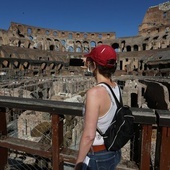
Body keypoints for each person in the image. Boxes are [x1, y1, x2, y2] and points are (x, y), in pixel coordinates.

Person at [75, 44, 121, 170]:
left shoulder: (94, 93)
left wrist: (78, 164)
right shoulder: (116, 87)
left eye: (90, 62)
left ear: (94, 65)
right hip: (113, 151)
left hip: (98, 156)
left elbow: (89, 136)